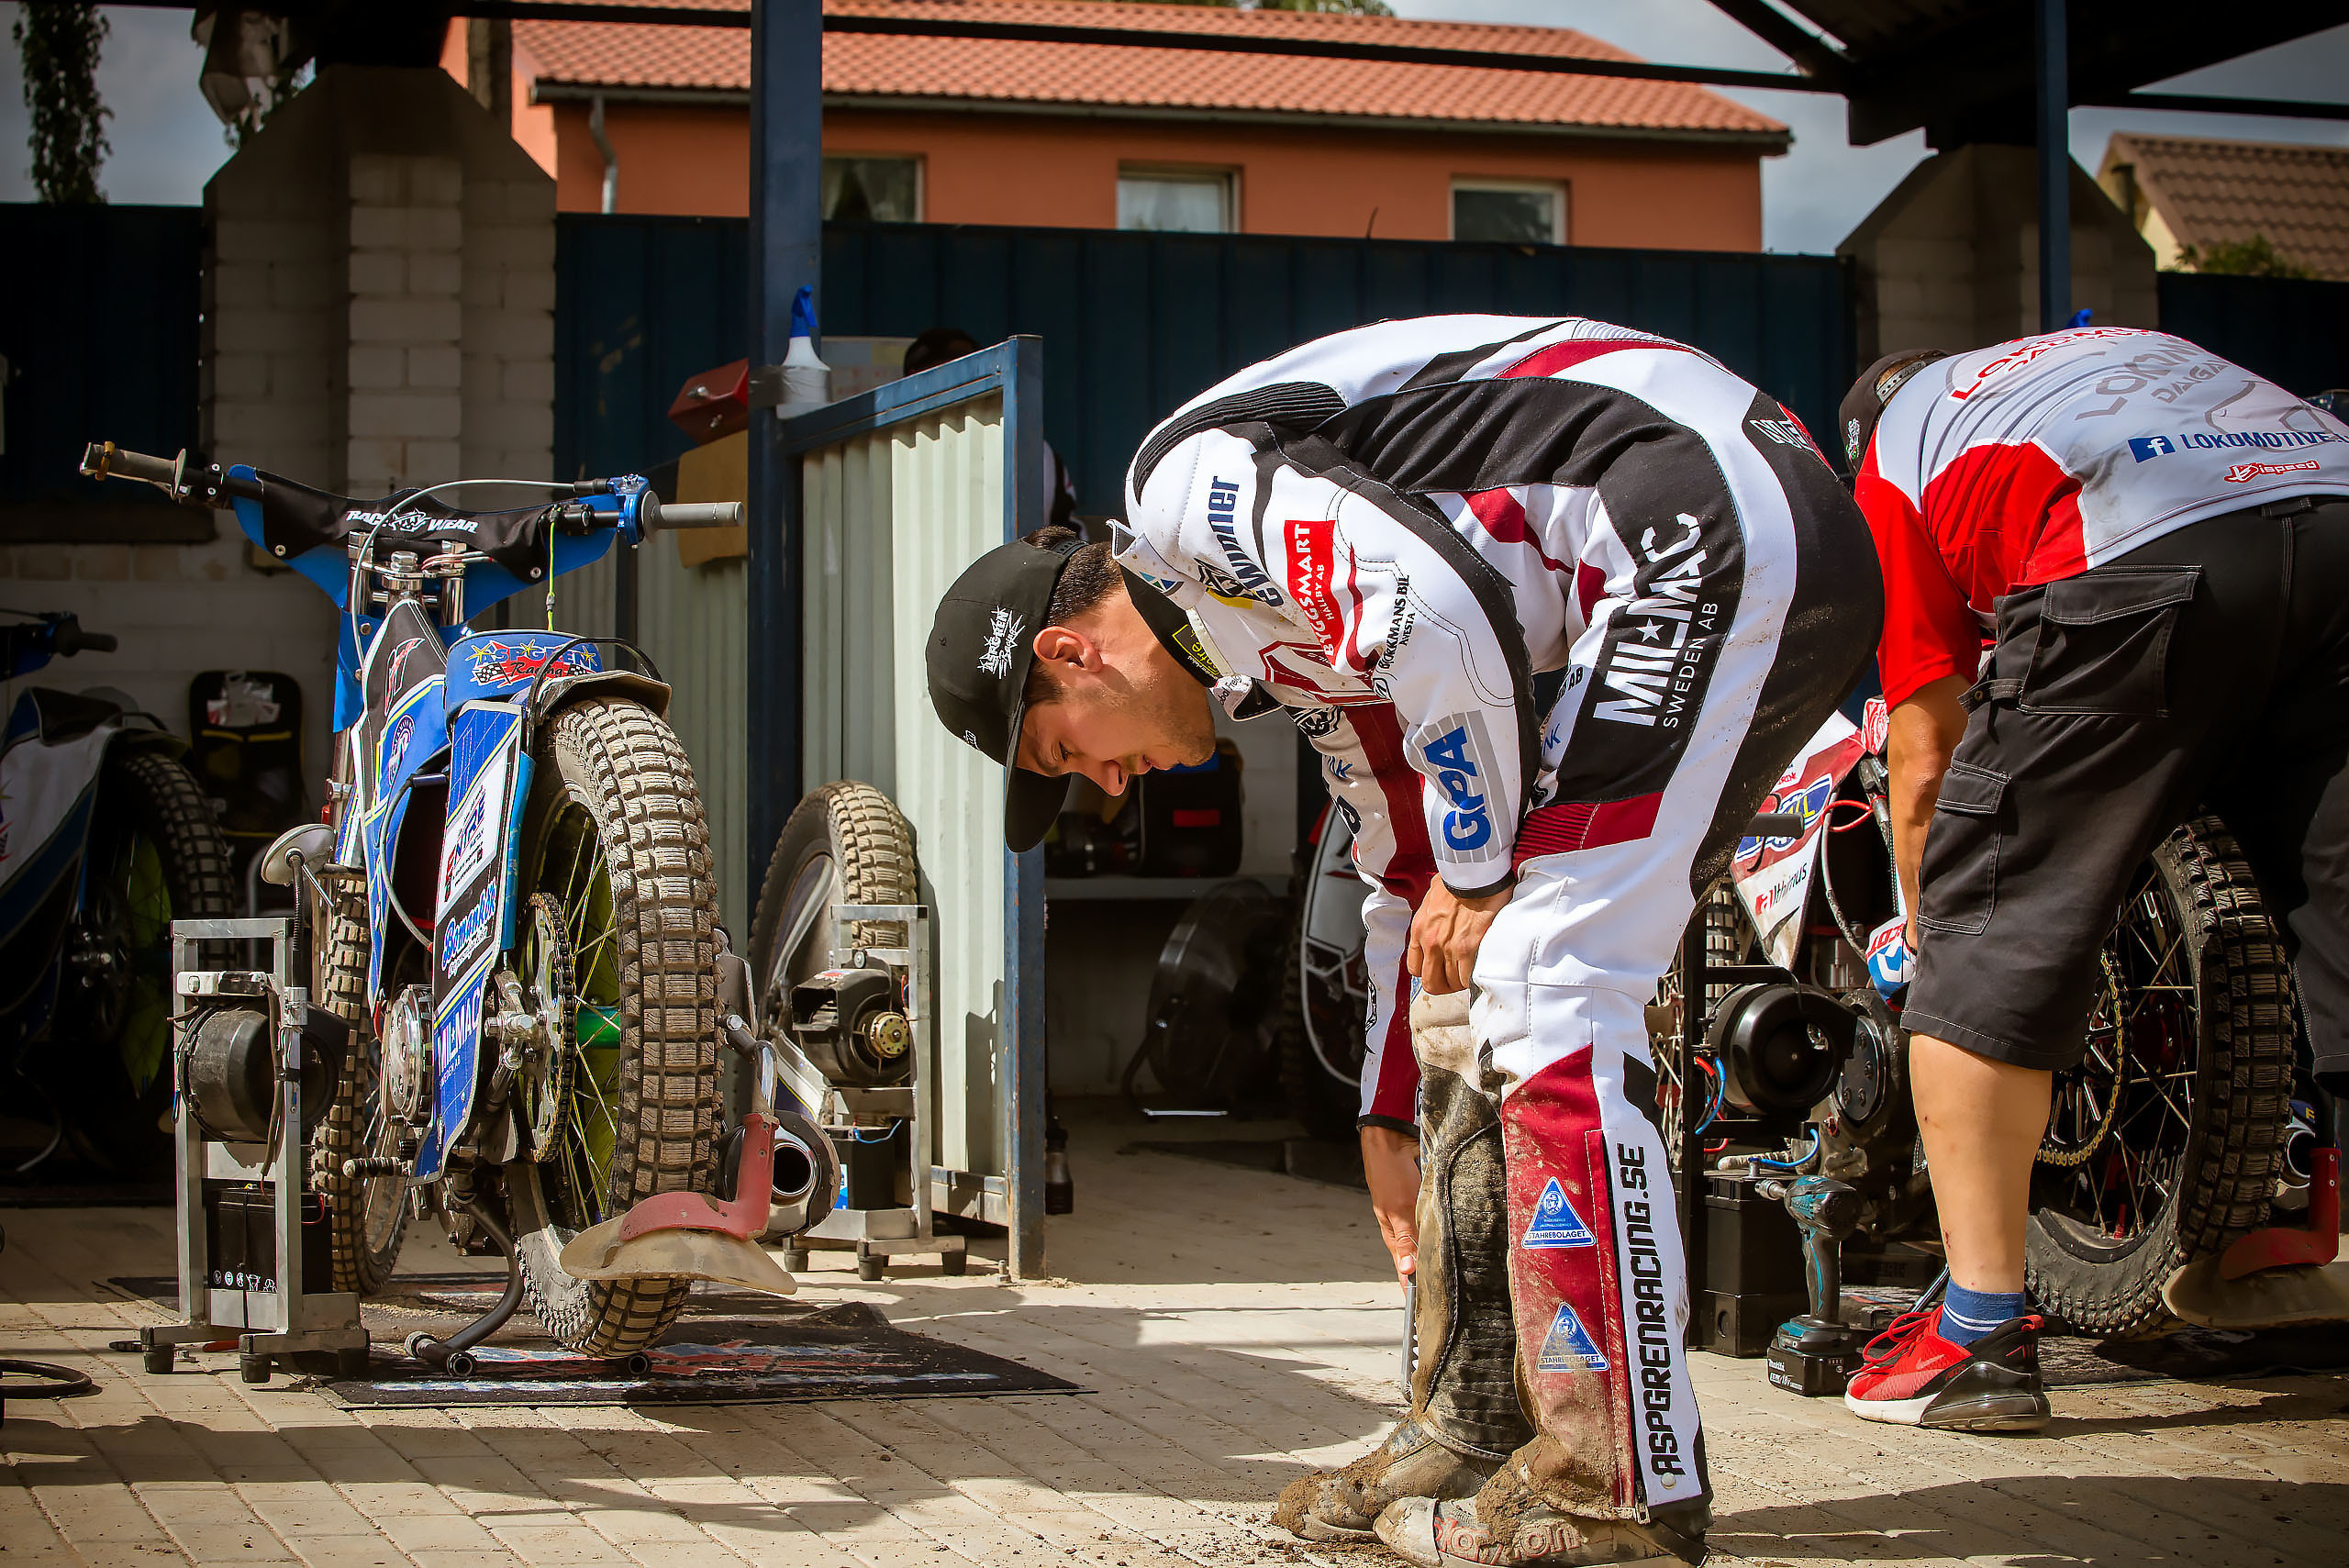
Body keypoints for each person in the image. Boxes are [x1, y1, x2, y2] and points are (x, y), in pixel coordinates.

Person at [924, 315, 1882, 1566]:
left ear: (1070, 651)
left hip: (1703, 519)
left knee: (1545, 970)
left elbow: (1439, 609)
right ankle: (1473, 1427)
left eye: (1064, 751)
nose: (1104, 787)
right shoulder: (1265, 641)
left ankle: (1613, 1490)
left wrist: (1484, 877)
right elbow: (1406, 859)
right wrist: (1387, 1110)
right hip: (1696, 541)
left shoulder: (1183, 495)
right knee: (1479, 989)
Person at [1840, 328, 2349, 1430]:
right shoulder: (2107, 352)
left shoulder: (1893, 456)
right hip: (2333, 506)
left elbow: (1925, 744)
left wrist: (1934, 927)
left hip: (2139, 541)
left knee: (1989, 923)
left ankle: (1973, 1340)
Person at [903, 327, 1081, 529]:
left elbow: (1065, 530)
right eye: (944, 376)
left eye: (970, 376)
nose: (958, 390)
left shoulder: (1030, 450)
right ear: (913, 379)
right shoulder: (893, 452)